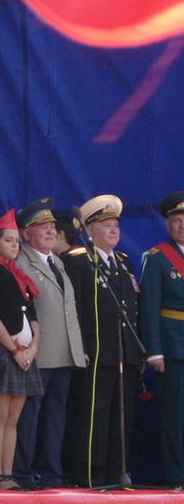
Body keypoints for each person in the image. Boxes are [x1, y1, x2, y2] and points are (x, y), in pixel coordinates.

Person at [61, 195, 140, 487]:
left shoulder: (123, 261)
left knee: (122, 419)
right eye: (106, 225)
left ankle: (117, 475)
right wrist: (79, 347)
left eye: (116, 225)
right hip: (95, 352)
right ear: (89, 229)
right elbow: (75, 308)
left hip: (124, 352)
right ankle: (91, 477)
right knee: (93, 417)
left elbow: (132, 307)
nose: (114, 231)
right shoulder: (79, 260)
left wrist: (136, 349)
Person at [13, 198, 85, 488]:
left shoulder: (57, 260)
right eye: (42, 227)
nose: (50, 231)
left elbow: (67, 309)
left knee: (56, 416)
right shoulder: (20, 260)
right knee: (30, 417)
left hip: (64, 351)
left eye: (52, 226)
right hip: (38, 352)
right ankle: (24, 471)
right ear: (25, 233)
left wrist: (78, 348)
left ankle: (51, 472)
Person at [0, 209, 42, 490]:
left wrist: (32, 348)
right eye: (9, 240)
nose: (15, 246)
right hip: (6, 351)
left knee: (13, 418)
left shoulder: (16, 272)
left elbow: (32, 315)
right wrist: (15, 349)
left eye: (17, 241)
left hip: (24, 354)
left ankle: (9, 473)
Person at [139, 191, 184, 488]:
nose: (182, 226)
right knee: (175, 419)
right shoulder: (156, 258)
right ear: (167, 225)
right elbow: (149, 307)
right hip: (174, 346)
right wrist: (154, 350)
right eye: (176, 221)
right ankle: (177, 479)